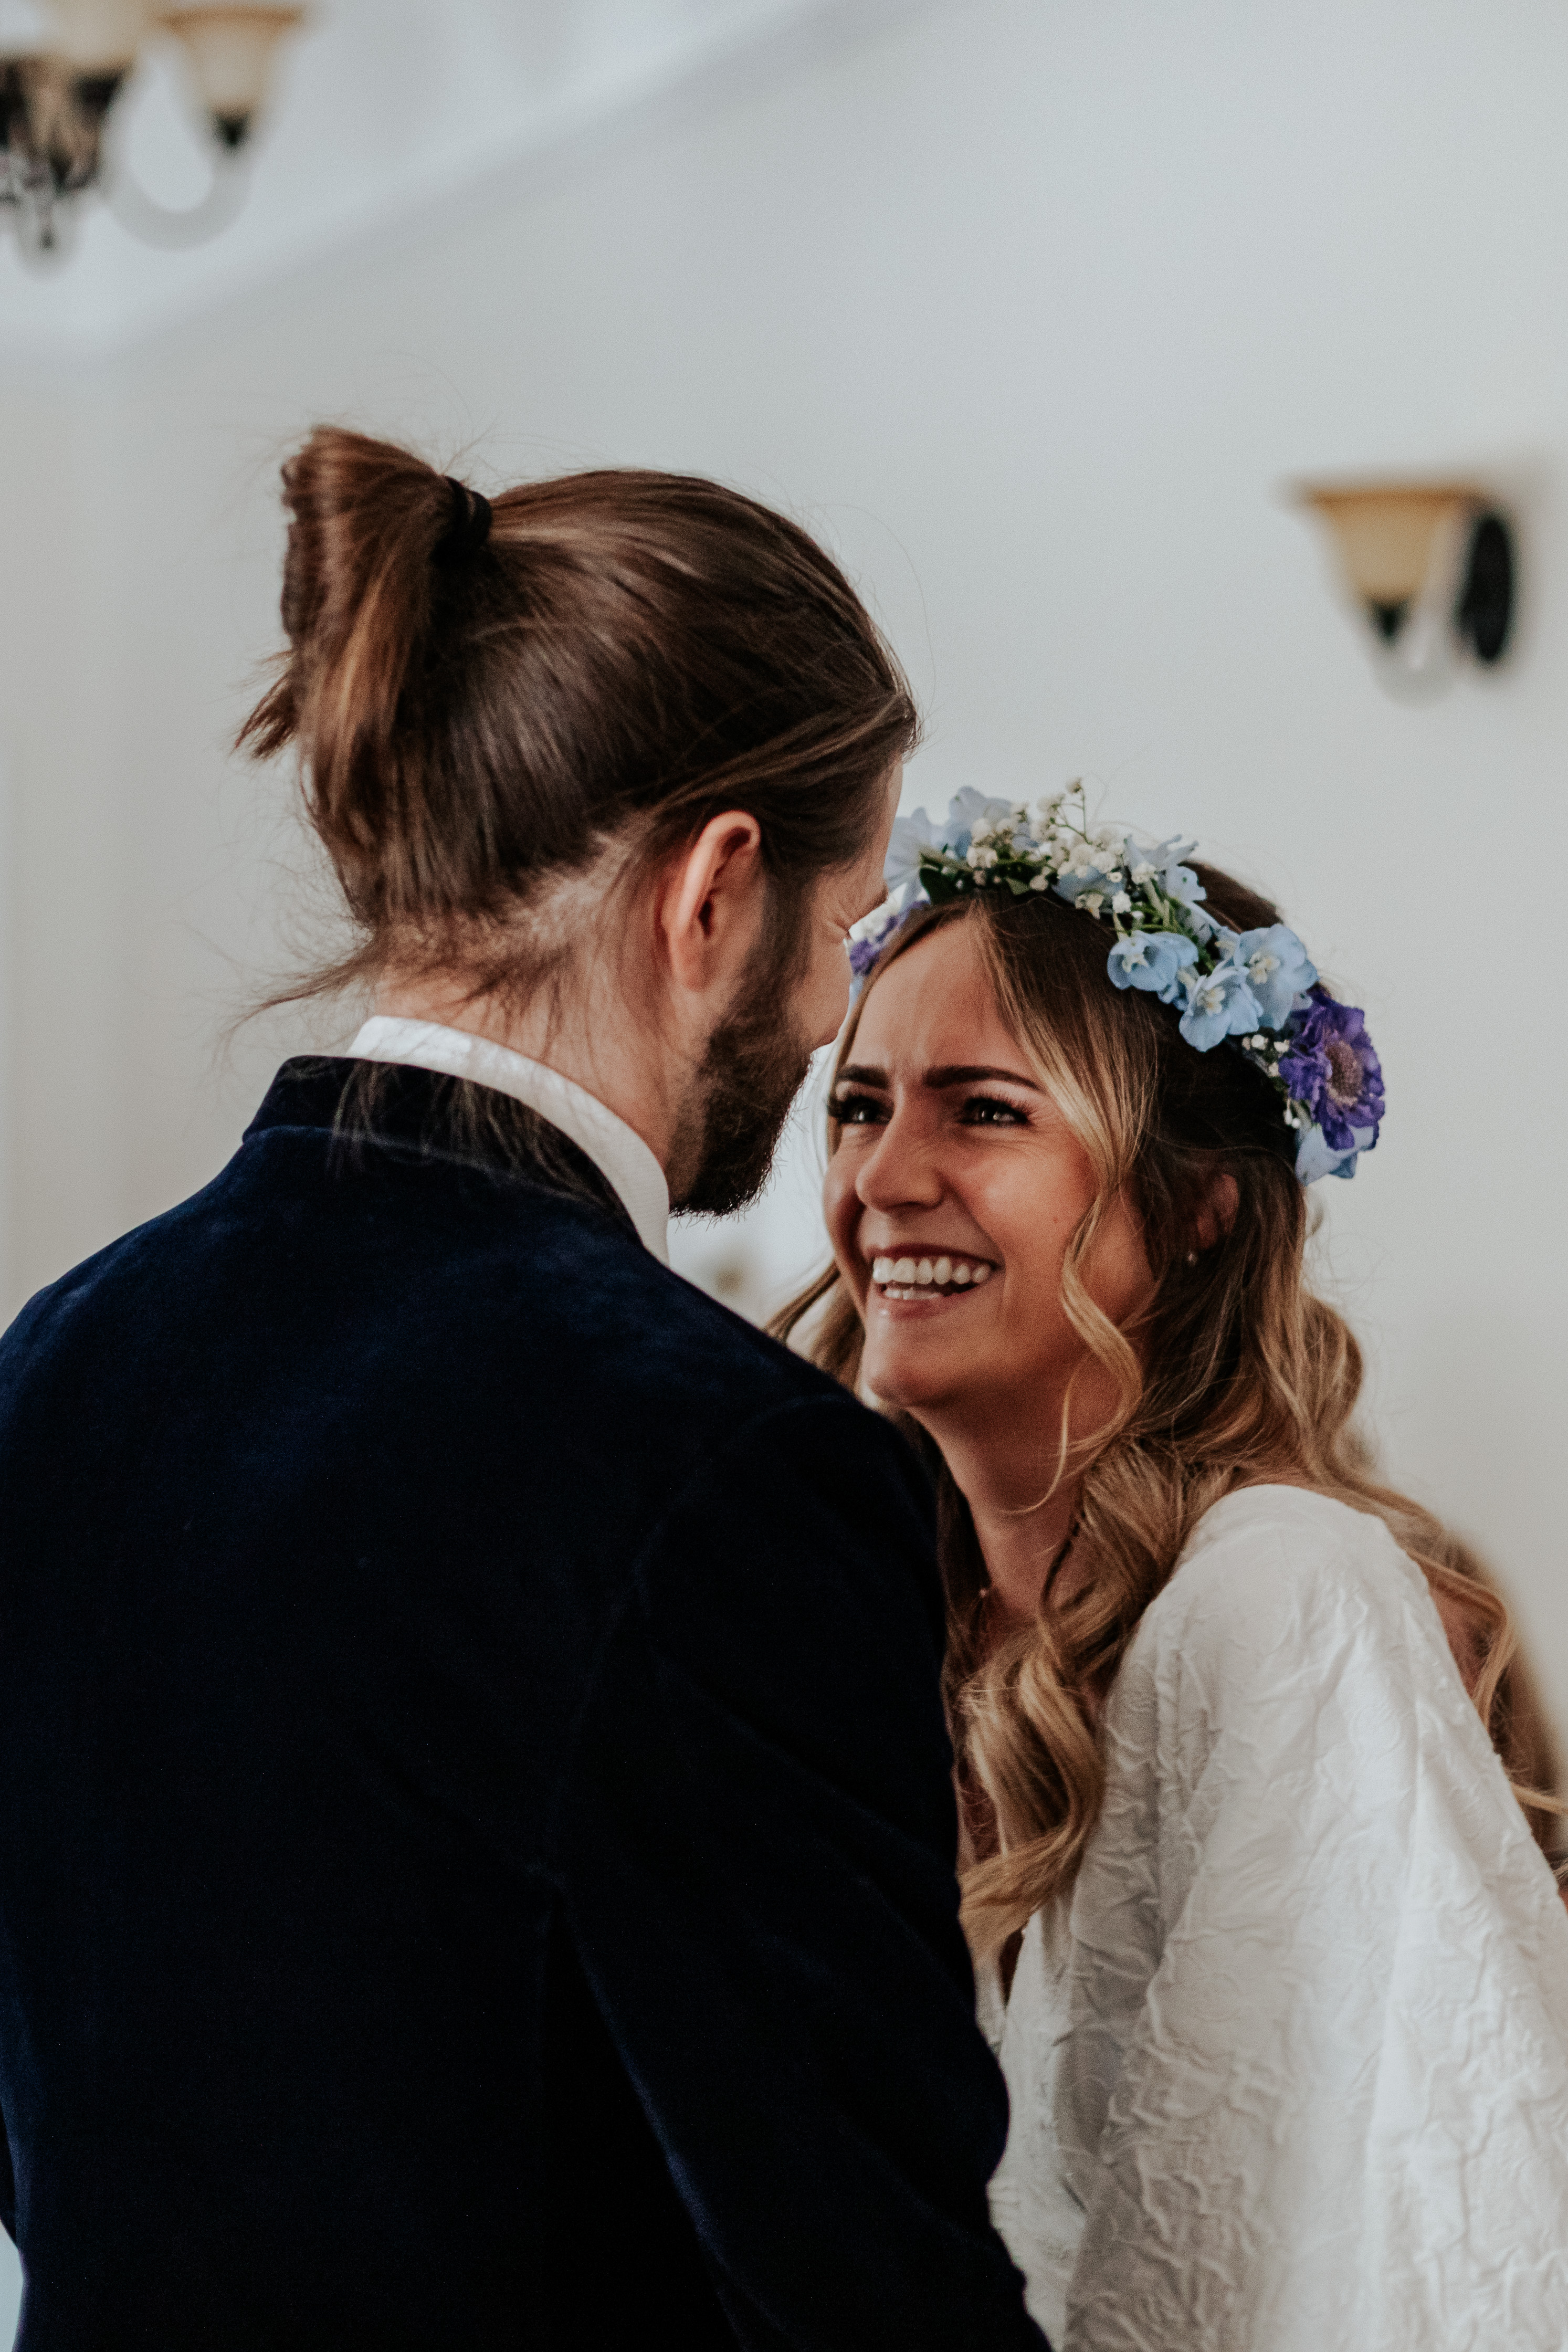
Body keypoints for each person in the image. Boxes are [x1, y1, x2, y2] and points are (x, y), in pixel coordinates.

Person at [0, 434, 1047, 2350]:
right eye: (848, 927)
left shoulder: (53, 1369)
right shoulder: (724, 1460)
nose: (831, 1021)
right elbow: (860, 2281)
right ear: (715, 888)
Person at [782, 784, 1568, 2349]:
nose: (882, 1179)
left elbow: (1375, 2262)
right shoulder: (843, 1599)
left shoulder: (1280, 1601)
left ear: (1198, 1204)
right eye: (861, 1103)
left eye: (983, 1110)